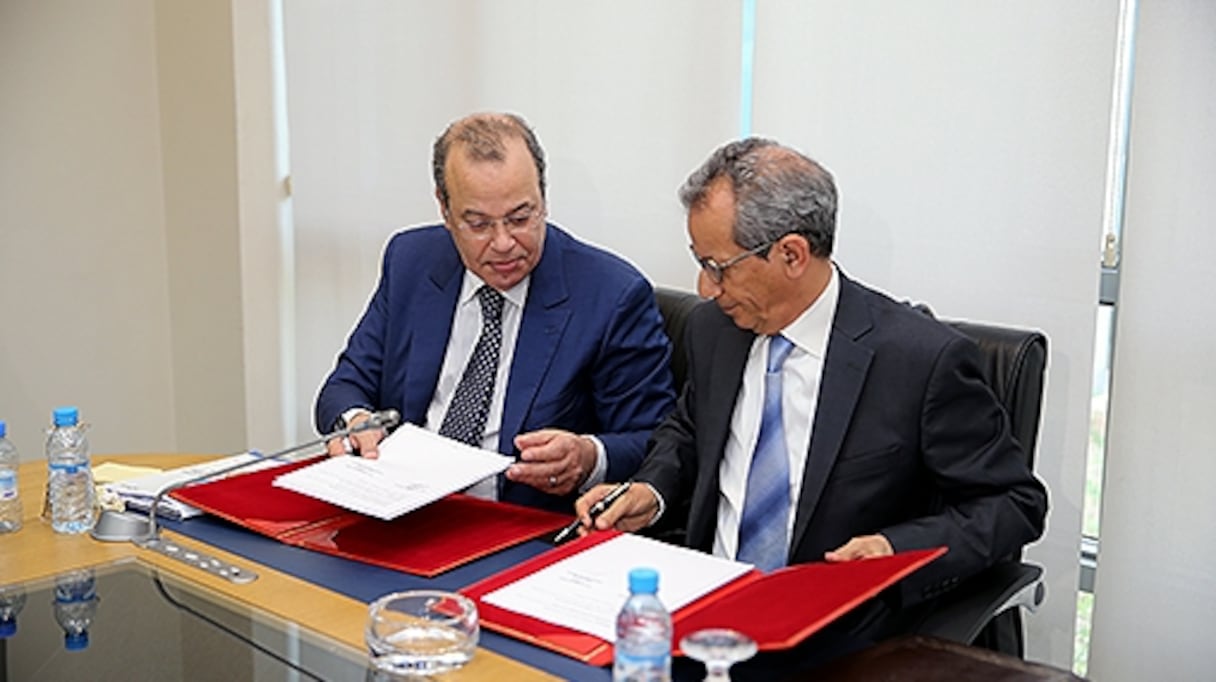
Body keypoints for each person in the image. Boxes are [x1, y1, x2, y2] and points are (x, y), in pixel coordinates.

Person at [576, 138, 1048, 661]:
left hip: (837, 640)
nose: (705, 288)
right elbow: (689, 429)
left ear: (792, 254)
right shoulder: (715, 330)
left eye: (719, 266)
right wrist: (652, 488)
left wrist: (895, 548)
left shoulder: (919, 361)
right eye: (700, 262)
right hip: (704, 618)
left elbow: (1015, 504)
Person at [315, 112, 676, 513]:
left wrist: (588, 455)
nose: (504, 243)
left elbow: (654, 441)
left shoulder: (611, 296)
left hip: (516, 529)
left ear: (544, 197)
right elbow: (345, 385)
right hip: (398, 512)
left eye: (521, 218)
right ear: (445, 209)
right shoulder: (411, 261)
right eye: (479, 224)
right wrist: (356, 421)